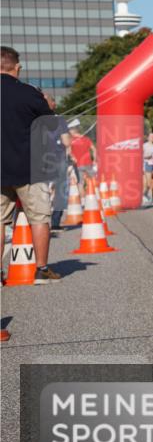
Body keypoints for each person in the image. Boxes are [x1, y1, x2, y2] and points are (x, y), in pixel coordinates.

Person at [0, 46, 61, 283]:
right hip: (30, 168)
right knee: (39, 218)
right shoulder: (30, 93)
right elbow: (50, 126)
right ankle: (42, 269)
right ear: (17, 67)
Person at [41, 93, 72, 230]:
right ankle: (55, 222)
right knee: (60, 190)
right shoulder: (60, 120)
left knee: (40, 190)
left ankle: (40, 222)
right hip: (58, 159)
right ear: (52, 104)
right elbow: (66, 142)